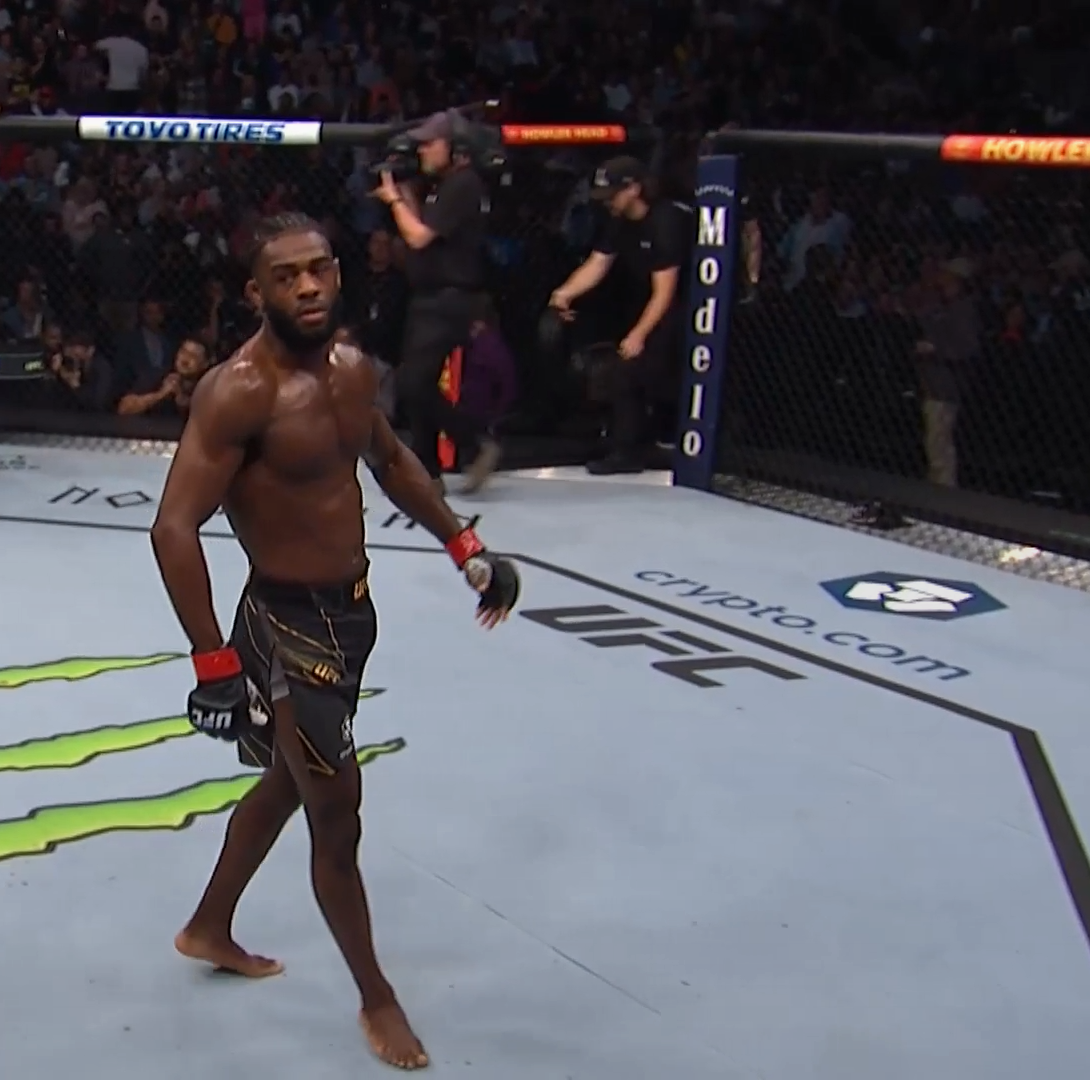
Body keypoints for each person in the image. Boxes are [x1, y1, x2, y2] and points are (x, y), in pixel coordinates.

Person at [149, 213, 521, 1071]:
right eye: (287, 276)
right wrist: (213, 663)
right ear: (257, 292)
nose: (309, 286)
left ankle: (208, 926)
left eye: (319, 269)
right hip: (287, 630)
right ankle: (377, 998)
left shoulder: (353, 370)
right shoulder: (238, 393)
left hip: (350, 616)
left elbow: (389, 460)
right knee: (336, 812)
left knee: (289, 781)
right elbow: (173, 527)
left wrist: (465, 547)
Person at [376, 110, 502, 494]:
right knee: (417, 383)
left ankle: (468, 445)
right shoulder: (445, 185)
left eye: (430, 144)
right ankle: (434, 468)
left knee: (413, 382)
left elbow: (418, 238)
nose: (422, 151)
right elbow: (422, 231)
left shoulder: (463, 184)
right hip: (433, 298)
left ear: (456, 148)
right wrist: (405, 194)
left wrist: (394, 201)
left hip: (449, 300)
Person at [547, 157, 690, 475]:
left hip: (686, 305)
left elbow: (666, 291)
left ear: (634, 189)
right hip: (648, 299)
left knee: (632, 370)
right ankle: (632, 441)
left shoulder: (665, 221)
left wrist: (639, 334)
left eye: (613, 194)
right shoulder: (619, 219)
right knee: (622, 368)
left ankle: (630, 451)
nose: (607, 201)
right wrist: (564, 293)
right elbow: (598, 263)